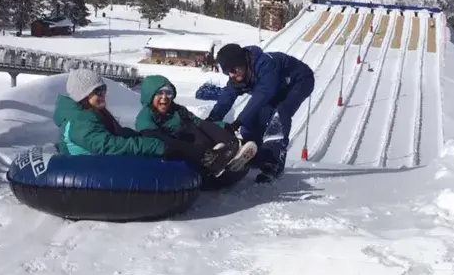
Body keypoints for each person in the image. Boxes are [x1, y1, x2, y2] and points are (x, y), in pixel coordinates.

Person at [54, 68, 237, 174]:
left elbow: (117, 135)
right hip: (89, 169)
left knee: (167, 143)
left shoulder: (93, 113)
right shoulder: (80, 120)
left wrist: (135, 136)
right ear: (83, 95)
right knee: (161, 147)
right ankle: (208, 161)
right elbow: (107, 145)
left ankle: (217, 155)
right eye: (97, 91)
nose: (103, 94)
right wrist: (149, 144)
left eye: (103, 89)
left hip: (101, 161)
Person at [207, 43, 315, 182]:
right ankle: (254, 156)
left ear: (242, 63)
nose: (231, 75)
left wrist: (237, 123)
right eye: (228, 72)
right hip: (278, 88)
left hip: (299, 81)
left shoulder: (265, 64)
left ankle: (273, 163)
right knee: (253, 120)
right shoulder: (238, 76)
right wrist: (211, 121)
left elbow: (264, 93)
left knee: (280, 115)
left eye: (233, 70)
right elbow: (226, 98)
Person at [135, 74, 257, 176]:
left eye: (168, 93)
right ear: (150, 96)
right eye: (159, 93)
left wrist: (222, 127)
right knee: (189, 132)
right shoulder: (145, 117)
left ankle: (233, 148)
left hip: (196, 144)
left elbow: (199, 122)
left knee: (201, 126)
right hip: (180, 150)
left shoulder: (177, 110)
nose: (164, 97)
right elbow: (154, 139)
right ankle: (217, 159)